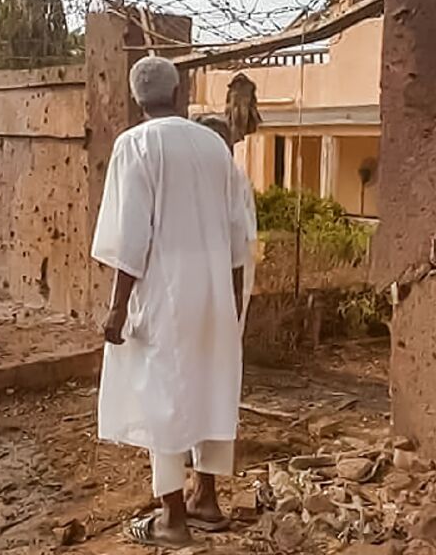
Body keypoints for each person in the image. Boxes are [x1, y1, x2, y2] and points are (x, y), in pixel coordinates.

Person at [91, 56, 252, 548]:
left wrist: (118, 306)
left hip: (163, 294)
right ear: (179, 93)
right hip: (214, 290)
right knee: (210, 385)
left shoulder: (135, 145)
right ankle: (207, 498)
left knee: (162, 397)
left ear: (137, 99)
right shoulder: (213, 145)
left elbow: (130, 235)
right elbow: (237, 232)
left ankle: (172, 519)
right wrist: (232, 301)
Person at [193, 113, 258, 333]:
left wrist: (237, 292)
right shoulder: (198, 176)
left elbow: (241, 234)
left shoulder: (235, 177)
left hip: (230, 268)